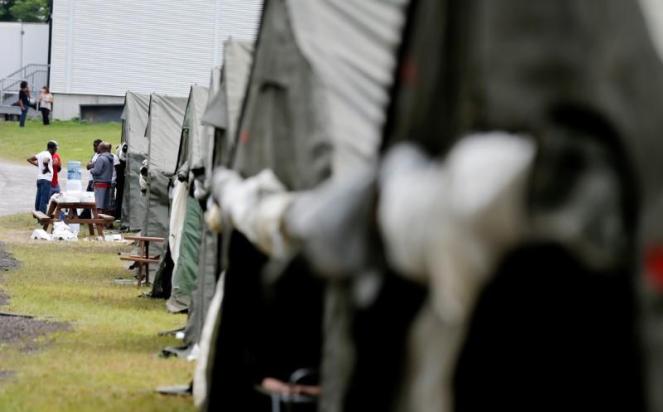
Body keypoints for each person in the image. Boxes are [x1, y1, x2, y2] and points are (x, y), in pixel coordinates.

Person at [27, 141, 57, 213]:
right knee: (44, 200)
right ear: (52, 148)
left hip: (40, 179)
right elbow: (46, 161)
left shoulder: (41, 153)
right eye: (55, 149)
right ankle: (42, 217)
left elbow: (29, 159)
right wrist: (46, 168)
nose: (55, 151)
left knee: (39, 198)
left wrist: (39, 165)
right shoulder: (48, 154)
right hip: (46, 180)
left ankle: (37, 215)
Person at [89, 142, 114, 212]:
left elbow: (97, 171)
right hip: (107, 183)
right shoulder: (110, 158)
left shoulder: (101, 158)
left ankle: (98, 218)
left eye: (99, 147)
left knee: (98, 206)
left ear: (101, 148)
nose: (97, 148)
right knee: (105, 206)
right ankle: (104, 218)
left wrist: (91, 170)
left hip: (100, 184)